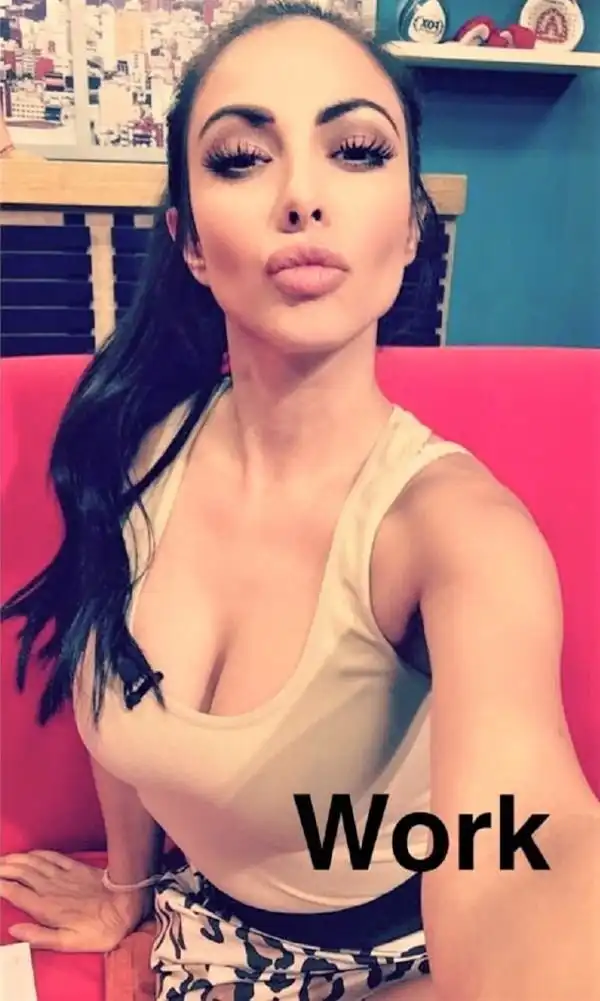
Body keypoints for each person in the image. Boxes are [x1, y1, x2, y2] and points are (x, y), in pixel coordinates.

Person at [1, 4, 599, 1000]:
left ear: (410, 228)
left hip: (405, 965)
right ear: (190, 242)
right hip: (205, 931)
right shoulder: (128, 447)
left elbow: (528, 844)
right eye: (242, 158)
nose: (302, 197)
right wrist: (128, 889)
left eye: (356, 151)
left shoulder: (458, 530)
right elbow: (117, 704)